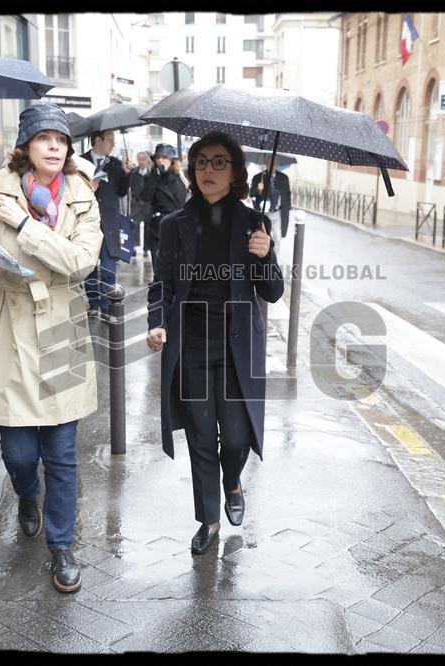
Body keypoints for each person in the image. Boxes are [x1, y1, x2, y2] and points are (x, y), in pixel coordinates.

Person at [0, 103, 102, 593]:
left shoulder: (81, 197)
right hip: (9, 326)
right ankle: (26, 496)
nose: (54, 147)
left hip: (61, 325)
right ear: (26, 147)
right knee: (17, 451)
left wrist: (26, 227)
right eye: (44, 139)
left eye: (61, 140)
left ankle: (62, 546)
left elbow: (81, 262)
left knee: (62, 450)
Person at [146, 132, 285, 554]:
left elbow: (274, 292)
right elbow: (161, 284)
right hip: (191, 347)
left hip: (237, 349)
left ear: (236, 172)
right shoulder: (173, 225)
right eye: (201, 161)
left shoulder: (253, 224)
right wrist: (157, 323)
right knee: (202, 435)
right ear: (191, 169)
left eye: (219, 162)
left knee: (239, 437)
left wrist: (264, 256)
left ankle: (233, 480)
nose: (209, 169)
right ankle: (208, 519)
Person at [82, 130, 131, 316]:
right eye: (110, 140)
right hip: (87, 222)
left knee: (109, 268)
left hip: (110, 224)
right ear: (97, 140)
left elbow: (121, 192)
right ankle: (93, 303)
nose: (112, 144)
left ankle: (107, 305)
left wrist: (126, 174)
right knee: (90, 267)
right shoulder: (80, 162)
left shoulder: (116, 164)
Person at [140, 143, 188, 264]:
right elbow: (145, 196)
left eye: (164, 157)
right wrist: (155, 176)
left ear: (172, 160)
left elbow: (182, 201)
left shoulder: (180, 177)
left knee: (175, 265)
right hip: (158, 226)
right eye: (158, 157)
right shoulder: (151, 177)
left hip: (176, 226)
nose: (161, 160)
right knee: (158, 264)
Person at [251, 164, 292, 238]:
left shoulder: (283, 178)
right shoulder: (258, 177)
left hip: (277, 213)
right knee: (263, 236)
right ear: (266, 163)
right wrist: (258, 188)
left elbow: (287, 196)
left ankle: (276, 250)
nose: (271, 165)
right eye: (268, 162)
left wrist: (288, 208)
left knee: (277, 238)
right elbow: (251, 193)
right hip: (263, 214)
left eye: (273, 162)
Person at [128, 151, 152, 255]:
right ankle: (134, 247)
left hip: (148, 204)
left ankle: (146, 248)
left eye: (143, 159)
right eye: (139, 159)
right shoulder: (133, 172)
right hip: (136, 203)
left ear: (147, 161)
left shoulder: (151, 173)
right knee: (134, 225)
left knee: (148, 227)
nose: (141, 162)